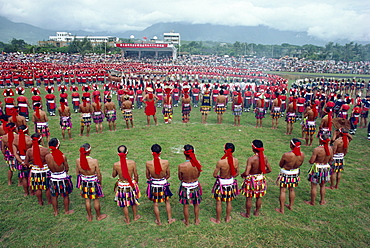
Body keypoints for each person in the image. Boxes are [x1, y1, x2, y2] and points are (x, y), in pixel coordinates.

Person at [240, 140, 272, 218]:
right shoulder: (265, 158)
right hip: (260, 179)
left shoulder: (251, 159)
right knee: (259, 197)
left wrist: (242, 175)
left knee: (249, 198)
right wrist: (261, 174)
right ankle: (256, 212)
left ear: (253, 148)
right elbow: (269, 169)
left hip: (251, 181)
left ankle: (247, 214)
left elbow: (247, 173)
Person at [76, 143, 107, 221]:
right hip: (93, 182)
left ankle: (90, 216)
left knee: (87, 199)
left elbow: (77, 173)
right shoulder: (94, 161)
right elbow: (99, 174)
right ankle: (98, 216)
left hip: (84, 182)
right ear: (89, 151)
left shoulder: (78, 160)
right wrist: (100, 183)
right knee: (96, 199)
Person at [146, 144, 175, 225]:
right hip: (163, 184)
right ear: (160, 152)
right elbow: (168, 174)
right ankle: (170, 219)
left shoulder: (148, 163)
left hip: (154, 185)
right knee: (167, 201)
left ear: (152, 152)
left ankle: (158, 221)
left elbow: (147, 176)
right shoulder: (166, 162)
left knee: (155, 204)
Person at [210, 143, 239, 224]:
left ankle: (218, 220)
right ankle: (227, 218)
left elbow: (214, 174)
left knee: (219, 202)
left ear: (225, 150)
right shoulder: (236, 161)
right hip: (230, 183)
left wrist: (219, 177)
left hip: (221, 184)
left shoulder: (221, 162)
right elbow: (237, 173)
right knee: (229, 201)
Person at [112, 145, 141, 224]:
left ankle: (127, 219)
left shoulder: (116, 164)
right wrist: (136, 184)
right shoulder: (132, 163)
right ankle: (135, 217)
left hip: (121, 185)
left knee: (124, 204)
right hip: (130, 184)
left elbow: (114, 175)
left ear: (118, 153)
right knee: (133, 201)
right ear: (127, 152)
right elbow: (136, 175)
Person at [45, 138, 74, 216]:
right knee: (65, 195)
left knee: (54, 196)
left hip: (53, 178)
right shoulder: (62, 156)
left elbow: (48, 166)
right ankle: (66, 211)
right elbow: (67, 168)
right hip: (62, 177)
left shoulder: (47, 156)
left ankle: (56, 212)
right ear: (57, 145)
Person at [275, 138, 305, 214]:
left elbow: (280, 165)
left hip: (285, 173)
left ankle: (281, 209)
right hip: (295, 173)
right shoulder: (302, 154)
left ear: (291, 145)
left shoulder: (287, 155)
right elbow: (300, 164)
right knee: (292, 189)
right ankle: (290, 206)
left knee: (283, 191)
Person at [178, 144, 202, 226]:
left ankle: (187, 222)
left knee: (186, 206)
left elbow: (180, 177)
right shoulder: (198, 163)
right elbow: (198, 174)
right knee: (196, 204)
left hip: (185, 186)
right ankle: (196, 220)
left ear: (184, 153)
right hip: (195, 185)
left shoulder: (181, 166)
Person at [24, 133, 51, 206]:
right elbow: (49, 160)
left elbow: (26, 162)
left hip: (35, 171)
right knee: (47, 187)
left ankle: (40, 202)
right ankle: (49, 201)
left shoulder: (29, 151)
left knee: (38, 188)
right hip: (45, 170)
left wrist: (32, 166)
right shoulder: (45, 150)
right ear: (40, 139)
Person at [305, 134, 333, 206]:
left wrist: (310, 161)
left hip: (317, 169)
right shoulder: (330, 148)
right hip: (326, 168)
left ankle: (312, 202)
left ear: (320, 140)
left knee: (314, 186)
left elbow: (311, 161)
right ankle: (322, 200)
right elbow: (331, 159)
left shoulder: (317, 149)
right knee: (322, 185)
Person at [12, 125, 33, 196]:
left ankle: (26, 192)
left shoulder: (15, 140)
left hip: (20, 159)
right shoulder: (29, 139)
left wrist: (21, 162)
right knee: (30, 176)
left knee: (24, 177)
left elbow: (15, 153)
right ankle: (32, 191)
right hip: (29, 159)